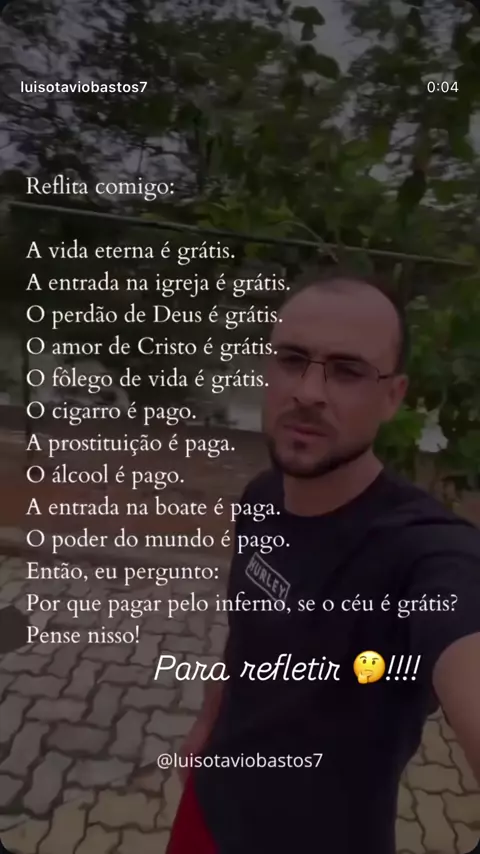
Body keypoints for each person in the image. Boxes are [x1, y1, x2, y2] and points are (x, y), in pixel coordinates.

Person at [166, 273, 480, 854]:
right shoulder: (261, 497)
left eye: (347, 370)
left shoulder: (425, 553)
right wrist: (208, 721)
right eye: (292, 360)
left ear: (394, 396)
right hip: (209, 808)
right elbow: (248, 633)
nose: (309, 391)